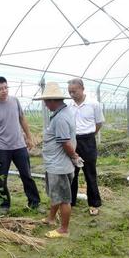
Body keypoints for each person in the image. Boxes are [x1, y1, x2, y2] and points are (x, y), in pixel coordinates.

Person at [0, 76, 43, 214]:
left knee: (26, 175)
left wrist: (29, 137)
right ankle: (4, 204)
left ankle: (34, 202)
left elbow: (22, 119)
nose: (4, 91)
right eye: (0, 89)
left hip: (20, 146)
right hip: (2, 148)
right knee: (2, 178)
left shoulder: (15, 101)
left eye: (6, 87)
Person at [33, 82, 77, 238]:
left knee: (64, 198)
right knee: (56, 194)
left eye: (46, 102)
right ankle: (51, 218)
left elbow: (66, 143)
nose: (45, 105)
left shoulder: (60, 119)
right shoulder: (62, 114)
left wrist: (74, 156)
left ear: (53, 100)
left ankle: (64, 230)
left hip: (60, 166)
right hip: (56, 164)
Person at [67, 78, 105, 216]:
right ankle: (70, 201)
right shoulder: (68, 106)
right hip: (73, 141)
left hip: (88, 141)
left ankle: (94, 203)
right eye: (70, 92)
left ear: (82, 89)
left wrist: (90, 134)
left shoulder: (93, 104)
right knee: (72, 173)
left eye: (74, 91)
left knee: (90, 173)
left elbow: (99, 123)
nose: (72, 94)